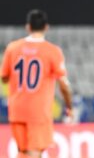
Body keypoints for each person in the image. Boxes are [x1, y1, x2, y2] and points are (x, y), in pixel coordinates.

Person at [1, 9, 73, 158]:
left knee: (22, 151)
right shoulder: (53, 51)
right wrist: (69, 106)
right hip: (38, 111)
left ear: (28, 27)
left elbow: (4, 78)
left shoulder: (12, 48)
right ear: (46, 27)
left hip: (16, 109)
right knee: (35, 151)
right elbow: (63, 84)